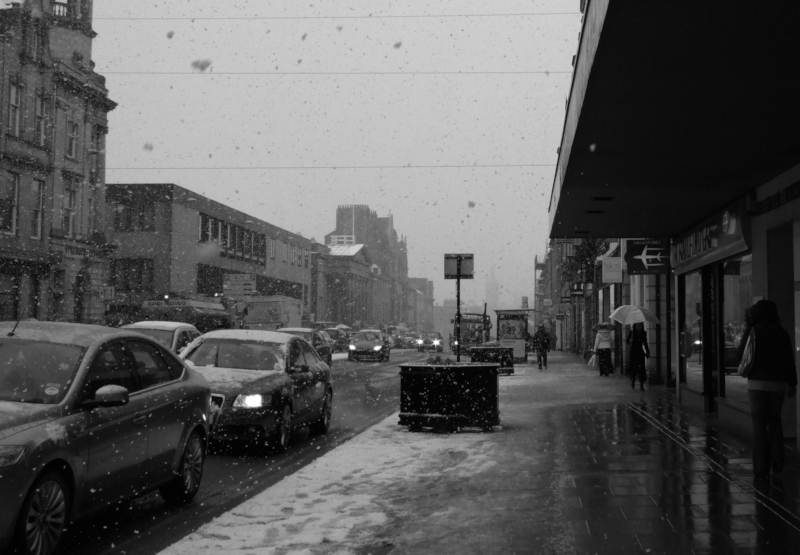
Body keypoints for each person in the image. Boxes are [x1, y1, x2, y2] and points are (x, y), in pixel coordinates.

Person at [745, 300, 797, 481]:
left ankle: (760, 469)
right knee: (775, 420)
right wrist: (793, 383)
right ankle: (778, 460)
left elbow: (740, 357)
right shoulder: (781, 333)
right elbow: (790, 360)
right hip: (778, 385)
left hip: (757, 385)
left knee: (759, 426)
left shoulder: (753, 332)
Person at [626, 322, 650, 390]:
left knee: (641, 369)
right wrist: (630, 341)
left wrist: (647, 352)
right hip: (633, 352)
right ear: (635, 326)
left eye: (640, 325)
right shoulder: (632, 332)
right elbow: (627, 341)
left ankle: (641, 384)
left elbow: (645, 343)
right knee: (634, 368)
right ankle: (633, 380)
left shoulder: (643, 333)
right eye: (637, 325)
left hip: (640, 352)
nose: (639, 327)